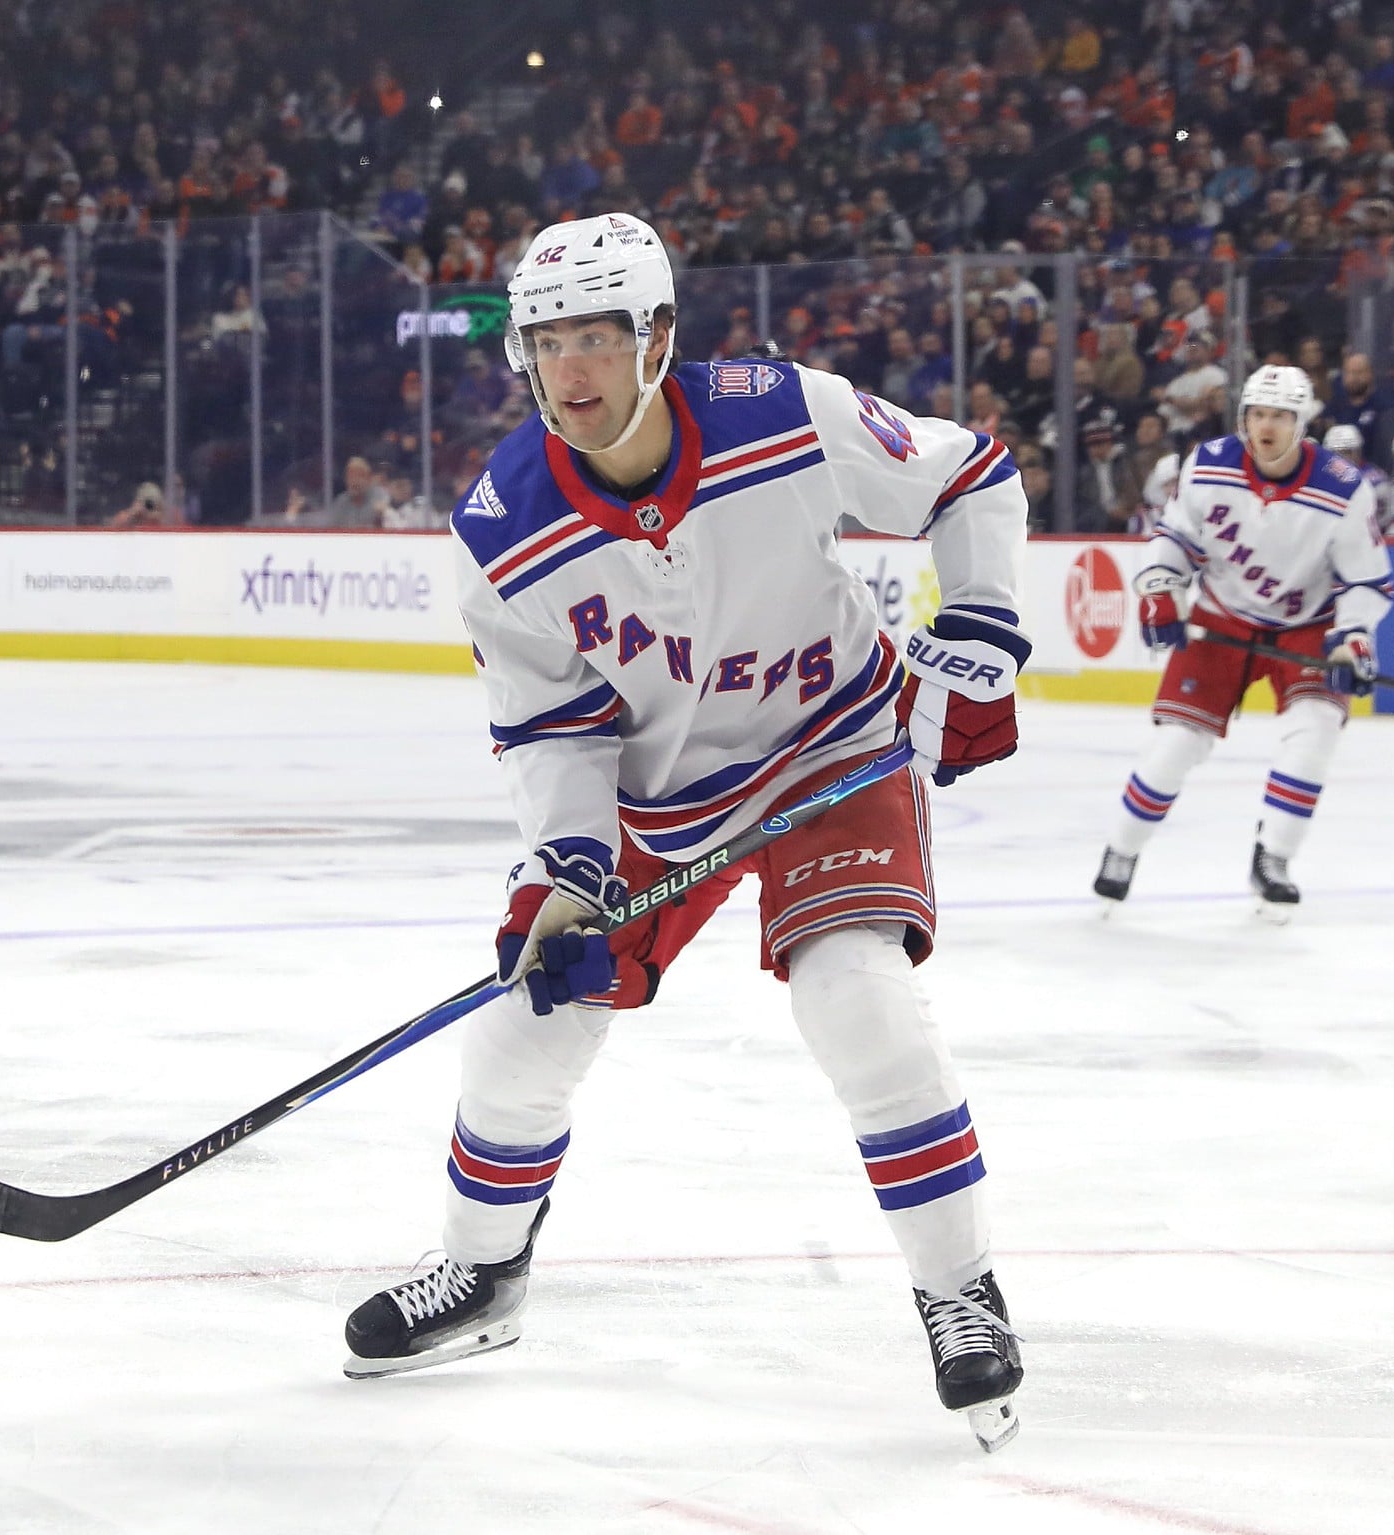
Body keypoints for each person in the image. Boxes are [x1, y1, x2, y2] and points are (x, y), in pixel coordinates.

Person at [342, 213, 1034, 1450]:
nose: (569, 369)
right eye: (546, 341)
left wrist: (978, 629)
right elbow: (549, 723)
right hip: (654, 803)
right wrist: (566, 871)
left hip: (832, 746)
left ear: (658, 336)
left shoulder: (782, 414)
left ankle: (957, 1289)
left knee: (856, 997)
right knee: (525, 1030)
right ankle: (483, 1271)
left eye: (597, 337)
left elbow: (967, 474)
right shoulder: (500, 525)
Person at [1091, 364, 1392, 916]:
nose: (1266, 426)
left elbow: (1366, 580)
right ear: (1243, 418)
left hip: (1306, 625)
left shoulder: (1343, 487)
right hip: (1222, 617)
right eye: (1258, 414)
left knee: (1315, 732)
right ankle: (1122, 849)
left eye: (1280, 416)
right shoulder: (1208, 465)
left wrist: (1353, 637)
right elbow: (1176, 537)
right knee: (1176, 744)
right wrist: (1161, 586)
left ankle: (1273, 855)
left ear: (1303, 423)